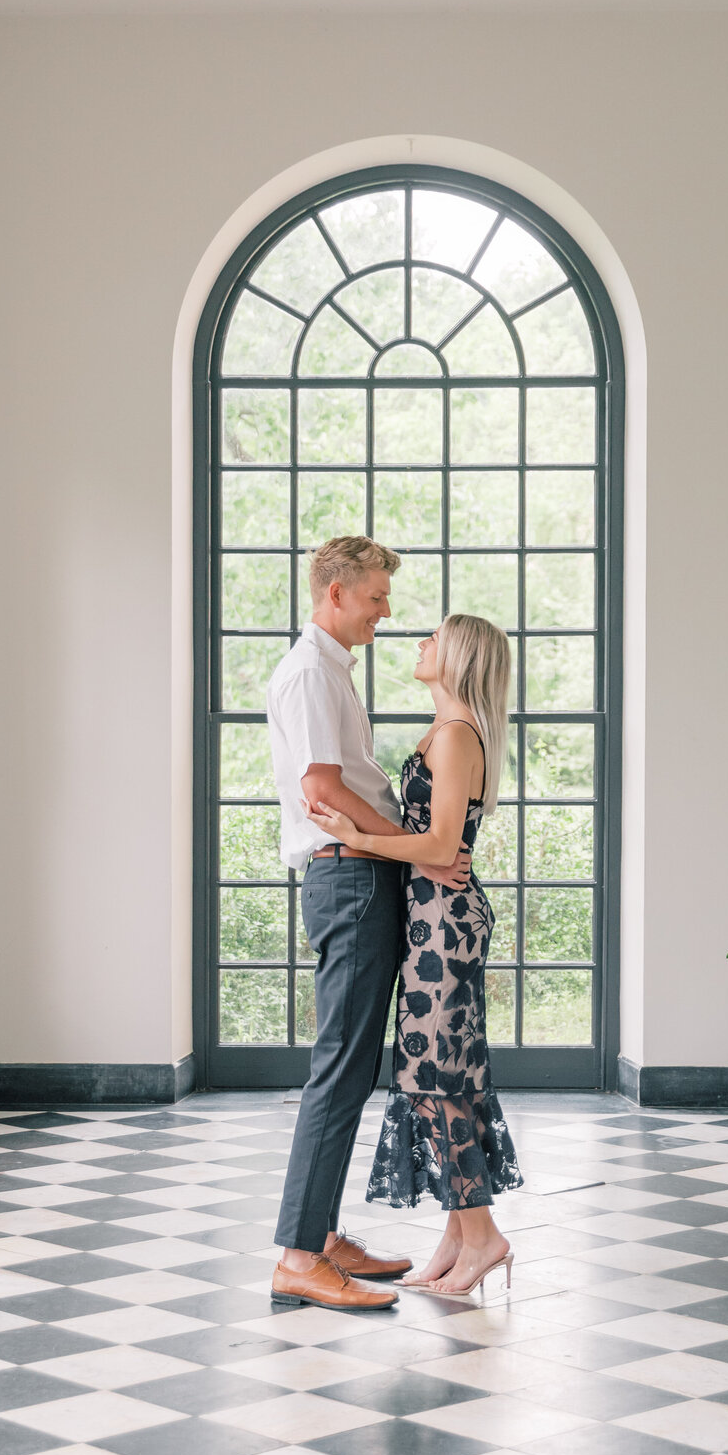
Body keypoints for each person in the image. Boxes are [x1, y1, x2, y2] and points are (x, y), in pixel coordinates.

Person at [266, 536, 472, 1313]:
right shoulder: (313, 673)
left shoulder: (327, 671)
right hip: (348, 879)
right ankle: (297, 1254)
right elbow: (322, 786)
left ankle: (319, 1237)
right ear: (336, 593)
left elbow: (336, 779)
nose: (386, 610)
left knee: (349, 1067)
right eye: (377, 596)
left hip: (358, 874)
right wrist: (387, 845)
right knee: (342, 1069)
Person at [305, 612, 522, 1297]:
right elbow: (432, 840)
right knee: (440, 1076)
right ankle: (459, 1237)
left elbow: (437, 849)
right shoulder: (448, 732)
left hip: (445, 925)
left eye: (434, 637)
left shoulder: (457, 737)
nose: (421, 643)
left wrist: (356, 837)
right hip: (430, 923)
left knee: (433, 1079)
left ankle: (482, 1236)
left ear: (457, 656)